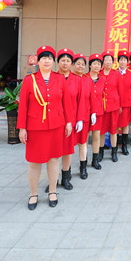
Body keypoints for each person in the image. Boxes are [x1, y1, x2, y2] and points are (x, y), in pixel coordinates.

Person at [18, 46, 73, 210]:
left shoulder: (60, 79)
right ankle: (33, 194)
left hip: (56, 125)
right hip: (35, 127)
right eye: (44, 58)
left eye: (50, 58)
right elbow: (23, 106)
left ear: (53, 61)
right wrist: (22, 128)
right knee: (35, 161)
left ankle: (53, 192)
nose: (47, 61)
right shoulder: (30, 80)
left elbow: (66, 102)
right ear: (38, 61)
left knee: (54, 159)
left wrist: (69, 122)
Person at [56, 48, 81, 190]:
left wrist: (80, 119)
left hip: (70, 121)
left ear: (72, 64)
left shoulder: (77, 80)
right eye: (62, 60)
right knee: (53, 152)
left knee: (67, 150)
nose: (65, 63)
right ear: (58, 62)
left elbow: (81, 101)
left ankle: (66, 177)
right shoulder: (52, 78)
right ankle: (53, 179)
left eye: (68, 61)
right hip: (54, 120)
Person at [72, 53, 97, 180]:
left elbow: (93, 98)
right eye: (78, 64)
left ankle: (83, 167)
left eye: (83, 64)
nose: (81, 66)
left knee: (83, 143)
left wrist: (93, 112)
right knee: (69, 145)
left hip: (85, 116)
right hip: (71, 117)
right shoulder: (69, 79)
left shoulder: (88, 80)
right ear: (73, 65)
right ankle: (66, 171)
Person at [98, 51, 122, 163]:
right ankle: (100, 152)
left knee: (113, 130)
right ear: (103, 62)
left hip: (114, 106)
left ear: (113, 62)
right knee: (101, 131)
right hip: (101, 107)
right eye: (106, 59)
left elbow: (121, 91)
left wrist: (120, 105)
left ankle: (114, 152)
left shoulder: (117, 74)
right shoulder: (98, 73)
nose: (108, 62)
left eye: (110, 60)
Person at [86, 53, 104, 170]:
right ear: (90, 65)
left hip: (98, 111)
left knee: (96, 136)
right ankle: (84, 160)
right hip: (86, 111)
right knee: (85, 138)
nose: (97, 66)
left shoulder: (102, 79)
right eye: (94, 64)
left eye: (98, 64)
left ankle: (95, 159)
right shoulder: (84, 78)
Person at [116, 50, 131, 156]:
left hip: (127, 103)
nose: (122, 62)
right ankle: (114, 146)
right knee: (115, 125)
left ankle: (124, 146)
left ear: (127, 62)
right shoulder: (114, 73)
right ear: (118, 61)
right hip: (116, 104)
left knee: (125, 125)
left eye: (124, 60)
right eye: (121, 60)